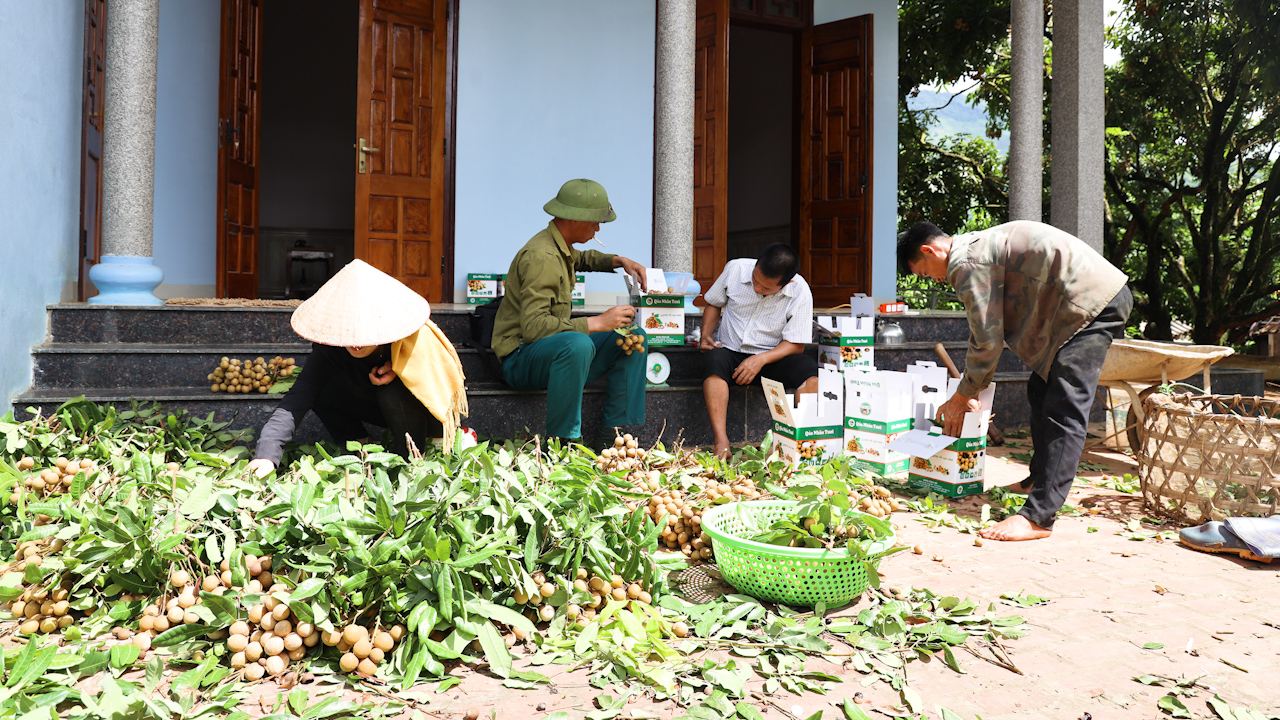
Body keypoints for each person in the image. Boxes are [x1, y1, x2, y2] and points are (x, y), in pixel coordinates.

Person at [898, 220, 1132, 541]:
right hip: (1076, 306)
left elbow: (986, 340)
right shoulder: (974, 248)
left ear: (930, 250)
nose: (934, 280)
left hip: (1090, 304)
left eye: (925, 272)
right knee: (1040, 390)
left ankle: (1038, 517)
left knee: (1064, 407)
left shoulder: (965, 262)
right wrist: (970, 388)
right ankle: (1037, 479)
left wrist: (962, 394)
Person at [247, 259, 468, 478]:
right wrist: (266, 454)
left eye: (364, 329)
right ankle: (360, 446)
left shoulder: (413, 339)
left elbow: (440, 383)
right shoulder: (331, 347)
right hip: (374, 406)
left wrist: (403, 370)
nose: (356, 340)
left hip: (421, 413)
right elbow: (298, 397)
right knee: (321, 390)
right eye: (349, 329)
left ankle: (411, 461)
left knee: (392, 389)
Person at [491, 178, 650, 445]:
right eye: (594, 221)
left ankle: (615, 439)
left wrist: (621, 261)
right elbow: (533, 328)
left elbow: (583, 258)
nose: (599, 228)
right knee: (578, 343)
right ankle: (564, 445)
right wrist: (597, 322)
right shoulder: (542, 256)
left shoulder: (559, 246)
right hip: (520, 360)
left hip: (554, 355)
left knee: (631, 337)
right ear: (574, 219)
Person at [700, 243, 818, 459]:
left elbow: (796, 344)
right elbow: (714, 303)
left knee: (809, 369)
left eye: (766, 288)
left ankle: (790, 443)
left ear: (787, 283)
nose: (757, 289)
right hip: (731, 352)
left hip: (771, 358)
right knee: (714, 360)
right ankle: (721, 441)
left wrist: (760, 359)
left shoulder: (800, 291)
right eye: (755, 281)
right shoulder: (735, 269)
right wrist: (706, 334)